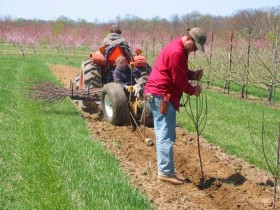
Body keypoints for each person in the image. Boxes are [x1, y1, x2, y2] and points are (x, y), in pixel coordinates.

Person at [144, 27, 206, 185]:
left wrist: (192, 74)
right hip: (162, 95)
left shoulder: (177, 48)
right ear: (189, 39)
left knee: (162, 133)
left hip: (157, 93)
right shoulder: (177, 52)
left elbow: (178, 70)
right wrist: (193, 91)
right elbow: (178, 79)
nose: (194, 51)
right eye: (194, 47)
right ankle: (165, 172)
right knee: (166, 134)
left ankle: (165, 169)